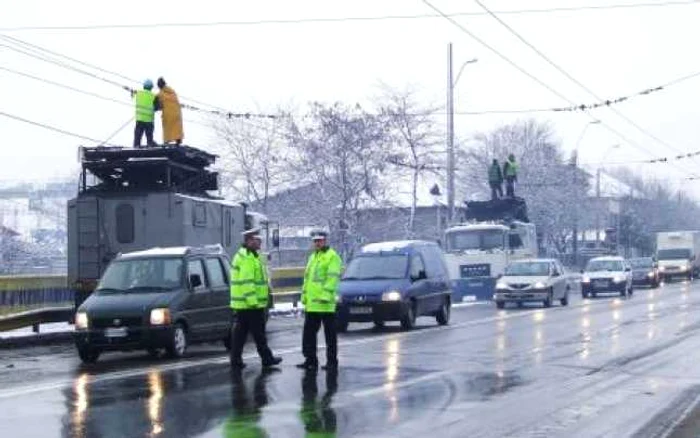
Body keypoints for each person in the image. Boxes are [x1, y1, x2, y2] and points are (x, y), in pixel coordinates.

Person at [230, 228, 282, 369]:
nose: (260, 242)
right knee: (259, 334)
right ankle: (267, 359)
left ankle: (236, 360)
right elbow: (247, 282)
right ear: (249, 241)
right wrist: (253, 302)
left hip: (243, 304)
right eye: (257, 240)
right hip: (250, 304)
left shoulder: (249, 255)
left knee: (241, 334)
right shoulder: (247, 258)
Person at [296, 230, 343, 371]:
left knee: (330, 336)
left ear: (325, 241)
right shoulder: (312, 257)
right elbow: (308, 280)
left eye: (320, 240)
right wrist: (304, 296)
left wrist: (325, 296)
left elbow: (332, 279)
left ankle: (332, 361)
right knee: (309, 335)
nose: (317, 243)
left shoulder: (332, 257)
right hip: (312, 304)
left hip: (325, 304)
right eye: (315, 241)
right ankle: (310, 360)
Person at [299, 370, 338, 438]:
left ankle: (331, 388)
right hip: (318, 432)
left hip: (317, 432)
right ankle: (331, 387)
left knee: (312, 403)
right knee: (323, 407)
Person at [156, 77, 184, 146]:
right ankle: (178, 140)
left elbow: (158, 105)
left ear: (159, 86)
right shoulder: (172, 92)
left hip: (168, 114)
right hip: (177, 113)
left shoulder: (160, 94)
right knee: (176, 127)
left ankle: (166, 141)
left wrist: (154, 108)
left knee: (167, 127)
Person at [133, 79, 158, 148]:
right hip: (149, 120)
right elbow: (157, 107)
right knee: (149, 135)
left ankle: (136, 146)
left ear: (144, 86)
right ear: (151, 87)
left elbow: (133, 93)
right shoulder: (154, 96)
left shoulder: (138, 93)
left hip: (139, 119)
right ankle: (150, 144)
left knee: (138, 135)